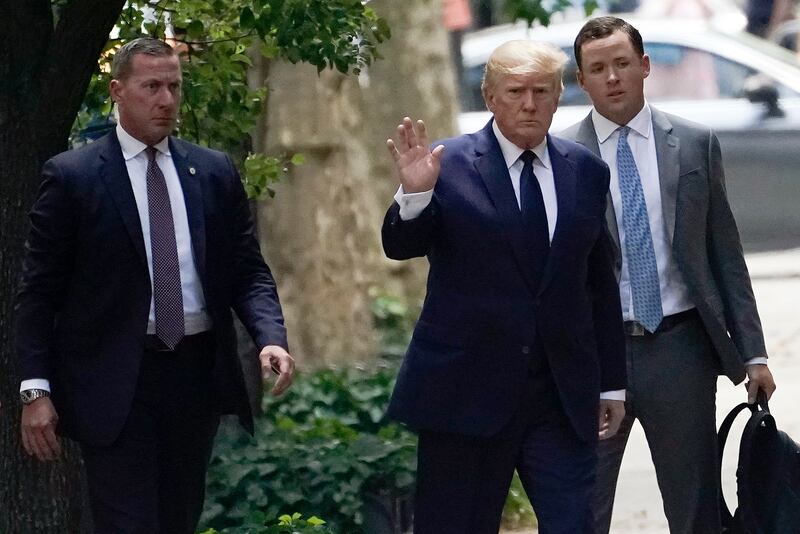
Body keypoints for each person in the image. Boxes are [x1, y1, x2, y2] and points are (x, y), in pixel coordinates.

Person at [15, 38, 295, 533]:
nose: (166, 100)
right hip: (116, 379)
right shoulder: (74, 177)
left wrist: (270, 336)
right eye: (151, 87)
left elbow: (247, 270)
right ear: (118, 91)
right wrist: (35, 388)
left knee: (178, 518)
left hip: (194, 374)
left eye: (173, 87)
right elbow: (39, 293)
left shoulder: (211, 171)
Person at [382, 40, 627, 534]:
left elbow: (598, 282)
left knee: (575, 524)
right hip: (466, 393)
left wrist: (612, 383)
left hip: (559, 396)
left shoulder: (585, 171)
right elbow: (400, 245)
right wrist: (414, 195)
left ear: (559, 96)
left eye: (542, 91)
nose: (530, 104)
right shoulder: (444, 164)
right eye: (516, 91)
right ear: (491, 97)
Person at [561, 16, 777, 534]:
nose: (611, 77)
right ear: (582, 79)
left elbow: (725, 253)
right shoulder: (563, 156)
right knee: (580, 508)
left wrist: (754, 353)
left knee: (695, 509)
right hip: (595, 357)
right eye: (597, 68)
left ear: (645, 66)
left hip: (678, 349)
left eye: (621, 64)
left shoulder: (696, 144)